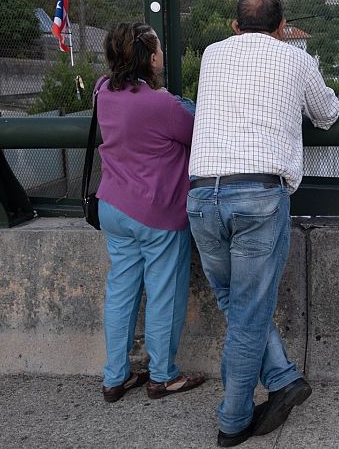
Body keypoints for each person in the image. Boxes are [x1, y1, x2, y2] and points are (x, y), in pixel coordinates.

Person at [187, 0, 339, 446]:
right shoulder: (294, 58)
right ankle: (233, 421)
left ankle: (284, 378)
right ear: (282, 26)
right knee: (249, 312)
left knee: (234, 302)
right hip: (257, 194)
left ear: (235, 26)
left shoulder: (212, 54)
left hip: (200, 195)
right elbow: (328, 114)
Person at [97, 22, 205, 403]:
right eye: (158, 48)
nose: (161, 56)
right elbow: (196, 127)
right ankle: (162, 376)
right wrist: (179, 100)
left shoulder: (102, 91)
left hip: (112, 206)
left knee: (121, 291)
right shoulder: (161, 104)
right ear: (150, 56)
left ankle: (115, 378)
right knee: (163, 292)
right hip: (157, 212)